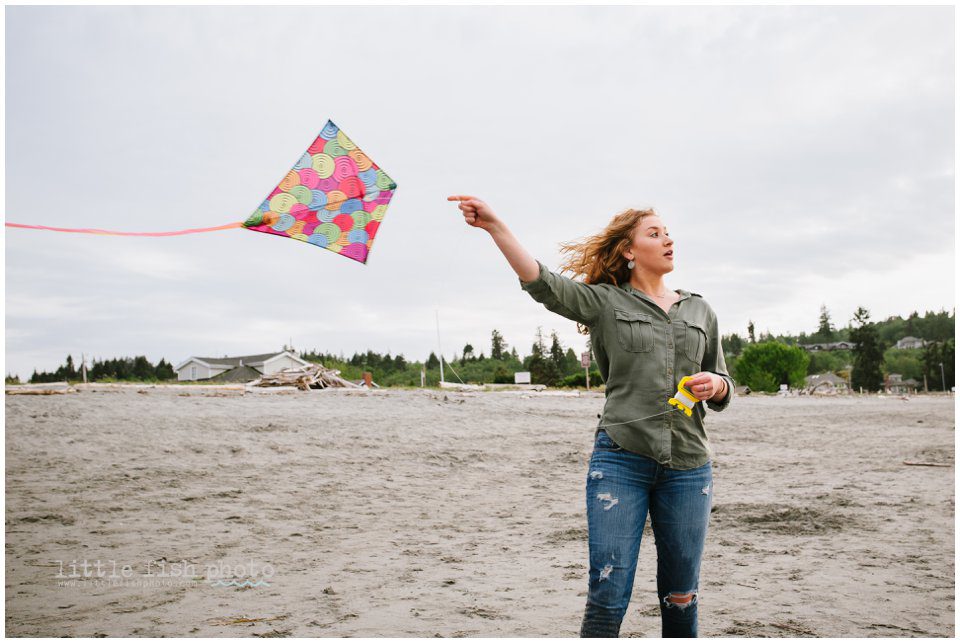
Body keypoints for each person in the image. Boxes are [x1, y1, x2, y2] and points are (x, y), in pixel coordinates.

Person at [447, 195, 735, 638]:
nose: (668, 239)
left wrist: (715, 386)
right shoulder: (604, 303)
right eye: (654, 233)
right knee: (608, 590)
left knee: (681, 594)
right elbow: (543, 283)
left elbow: (723, 379)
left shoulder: (700, 310)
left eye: (668, 232)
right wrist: (496, 227)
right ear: (629, 250)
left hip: (689, 467)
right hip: (621, 460)